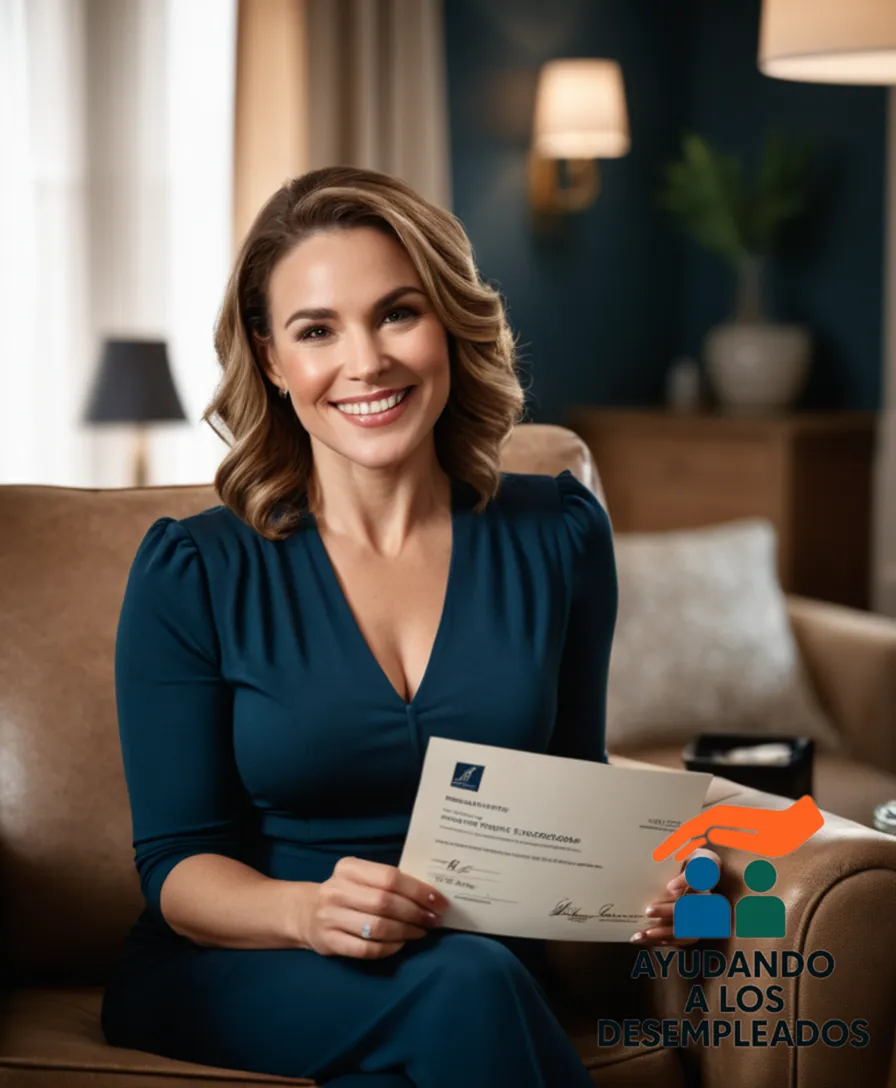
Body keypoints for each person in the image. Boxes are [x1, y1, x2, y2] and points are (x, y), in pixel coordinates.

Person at [100, 165, 715, 1088]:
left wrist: (642, 887)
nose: (367, 362)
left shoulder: (561, 534)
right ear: (273, 360)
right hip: (244, 961)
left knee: (472, 984)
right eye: (317, 330)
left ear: (450, 324)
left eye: (397, 313)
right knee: (466, 989)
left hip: (484, 964)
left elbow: (574, 790)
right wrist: (308, 913)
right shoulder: (192, 572)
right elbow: (177, 867)